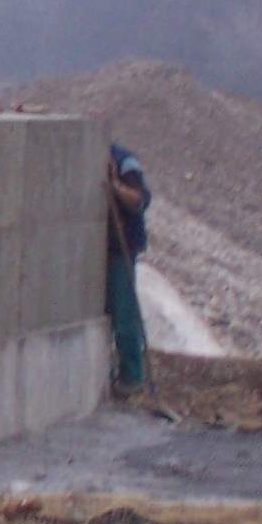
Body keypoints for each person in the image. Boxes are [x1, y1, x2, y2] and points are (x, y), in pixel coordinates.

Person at [106, 142, 150, 393]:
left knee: (124, 311)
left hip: (121, 247)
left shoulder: (125, 162)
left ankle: (132, 377)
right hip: (99, 247)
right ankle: (112, 371)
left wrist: (116, 187)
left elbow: (139, 199)